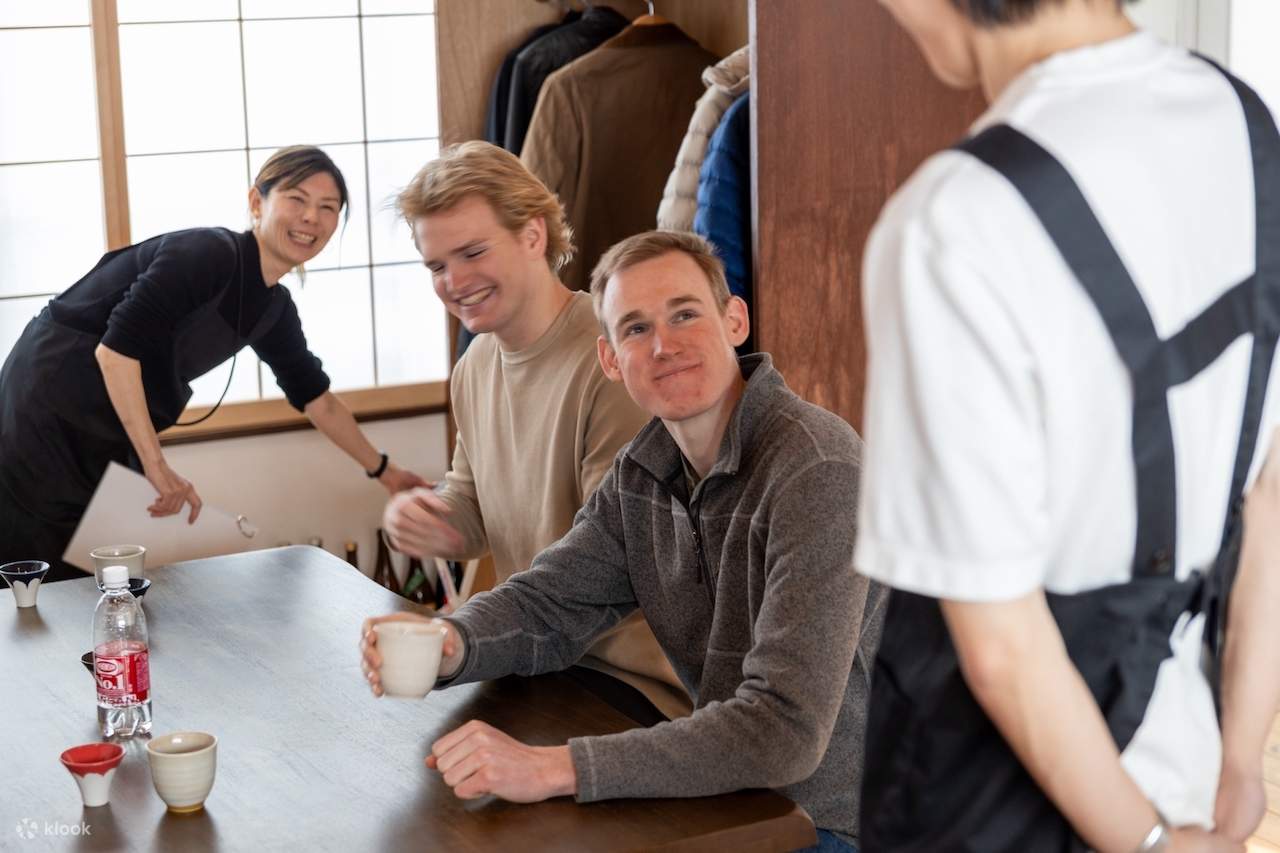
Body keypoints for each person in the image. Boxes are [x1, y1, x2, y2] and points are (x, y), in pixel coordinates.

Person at [855, 0, 1280, 850]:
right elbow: (1266, 493)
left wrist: (1150, 844)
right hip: (1184, 758)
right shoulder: (1243, 123)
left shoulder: (951, 221)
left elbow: (1003, 648)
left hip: (996, 800)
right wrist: (1240, 758)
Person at [363, 230, 885, 851]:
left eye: (685, 314)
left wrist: (557, 767)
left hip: (844, 820)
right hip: (741, 800)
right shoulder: (645, 469)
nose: (664, 345)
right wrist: (453, 642)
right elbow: (551, 601)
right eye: (635, 329)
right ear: (611, 359)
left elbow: (783, 729)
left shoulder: (815, 469)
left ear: (735, 321)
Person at [0, 146, 426, 582]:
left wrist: (387, 473)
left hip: (104, 426)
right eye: (296, 199)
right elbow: (116, 352)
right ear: (257, 203)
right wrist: (157, 466)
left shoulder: (273, 308)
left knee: (106, 569)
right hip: (46, 404)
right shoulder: (207, 253)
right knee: (40, 572)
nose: (311, 218)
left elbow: (317, 400)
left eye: (328, 208)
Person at [382, 141, 688, 721]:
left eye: (472, 252)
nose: (455, 281)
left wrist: (464, 639)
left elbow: (604, 568)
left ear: (533, 235)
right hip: (532, 652)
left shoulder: (612, 359)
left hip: (625, 681)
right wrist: (431, 519)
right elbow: (472, 510)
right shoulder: (474, 366)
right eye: (437, 265)